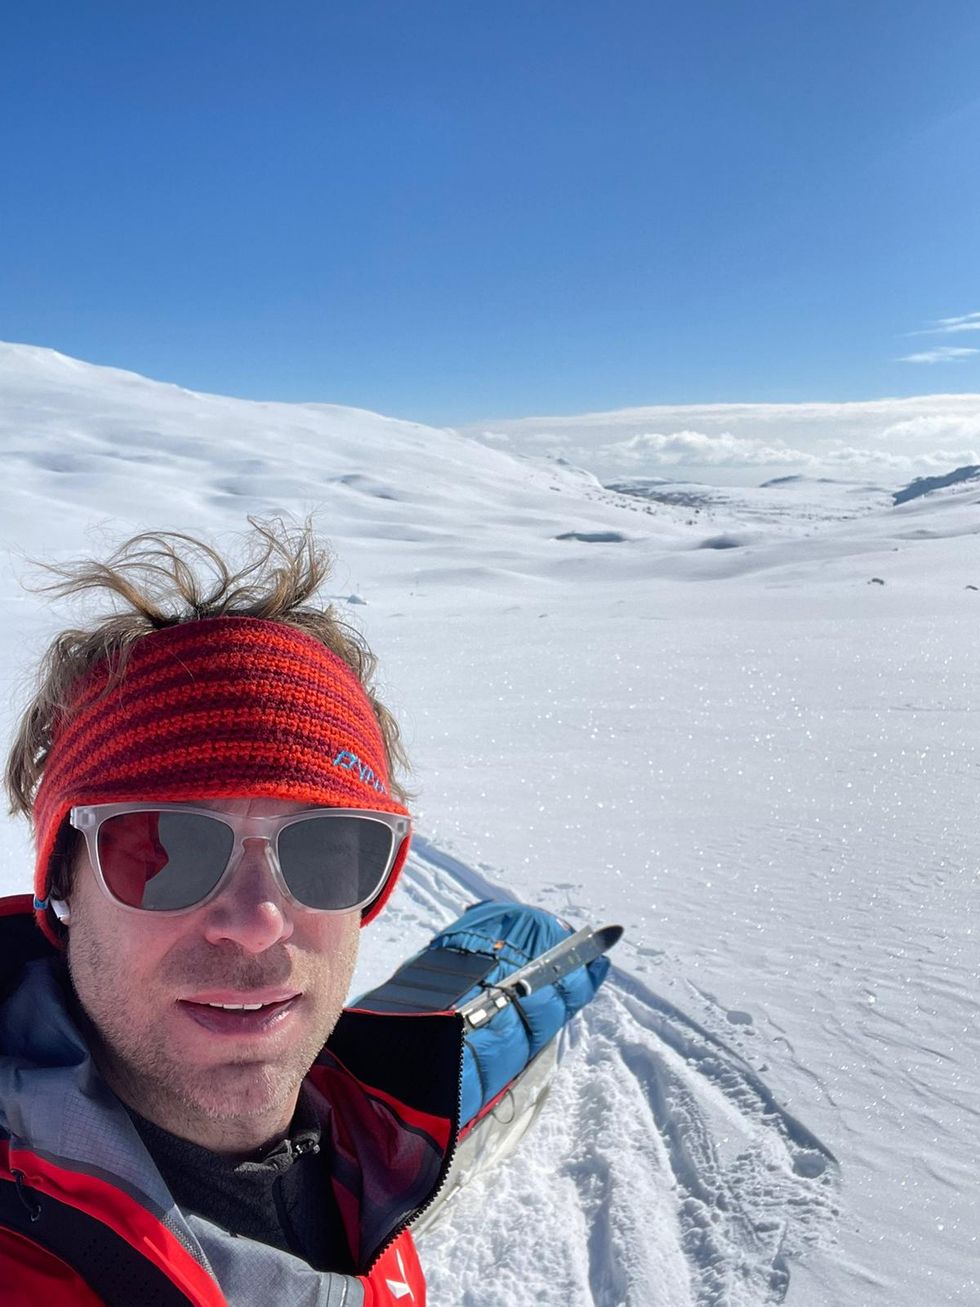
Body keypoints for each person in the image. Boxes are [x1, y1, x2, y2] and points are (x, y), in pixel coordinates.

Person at [0, 523, 462, 1306]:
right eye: (162, 847)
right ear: (64, 886)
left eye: (324, 848)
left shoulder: (371, 1142)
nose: (256, 922)